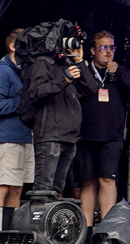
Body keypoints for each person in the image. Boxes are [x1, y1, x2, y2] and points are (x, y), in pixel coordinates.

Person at [77, 31, 130, 228]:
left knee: (107, 179)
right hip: (85, 135)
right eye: (103, 48)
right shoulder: (84, 70)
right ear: (92, 51)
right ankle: (87, 228)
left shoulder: (120, 72)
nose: (108, 52)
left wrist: (119, 72)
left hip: (111, 136)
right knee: (88, 182)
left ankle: (107, 229)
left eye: (112, 47)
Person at [22, 28, 86, 196]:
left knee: (57, 191)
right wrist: (63, 80)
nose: (73, 44)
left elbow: (91, 89)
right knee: (44, 189)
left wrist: (80, 62)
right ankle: (37, 222)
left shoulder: (68, 64)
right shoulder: (42, 62)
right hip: (50, 134)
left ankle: (50, 223)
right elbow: (35, 91)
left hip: (70, 136)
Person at [0, 28, 30, 210]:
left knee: (17, 188)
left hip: (23, 136)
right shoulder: (1, 71)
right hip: (7, 137)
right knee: (2, 185)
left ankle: (11, 230)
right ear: (12, 46)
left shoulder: (23, 71)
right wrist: (24, 102)